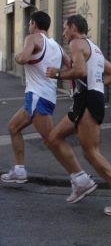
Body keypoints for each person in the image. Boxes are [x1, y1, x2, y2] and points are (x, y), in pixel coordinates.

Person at [46, 15, 111, 216]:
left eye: (64, 28)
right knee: (54, 138)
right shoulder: (93, 47)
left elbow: (79, 71)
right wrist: (96, 84)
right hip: (85, 99)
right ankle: (81, 181)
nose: (63, 33)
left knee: (91, 152)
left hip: (88, 100)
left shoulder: (77, 43)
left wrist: (57, 74)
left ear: (73, 27)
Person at [1, 11, 70, 183]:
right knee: (13, 127)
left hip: (37, 97)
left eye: (30, 24)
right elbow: (73, 67)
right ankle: (19, 170)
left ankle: (79, 177)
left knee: (51, 140)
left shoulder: (32, 38)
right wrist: (58, 74)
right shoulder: (57, 47)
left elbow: (23, 59)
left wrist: (17, 56)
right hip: (45, 97)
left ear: (33, 24)